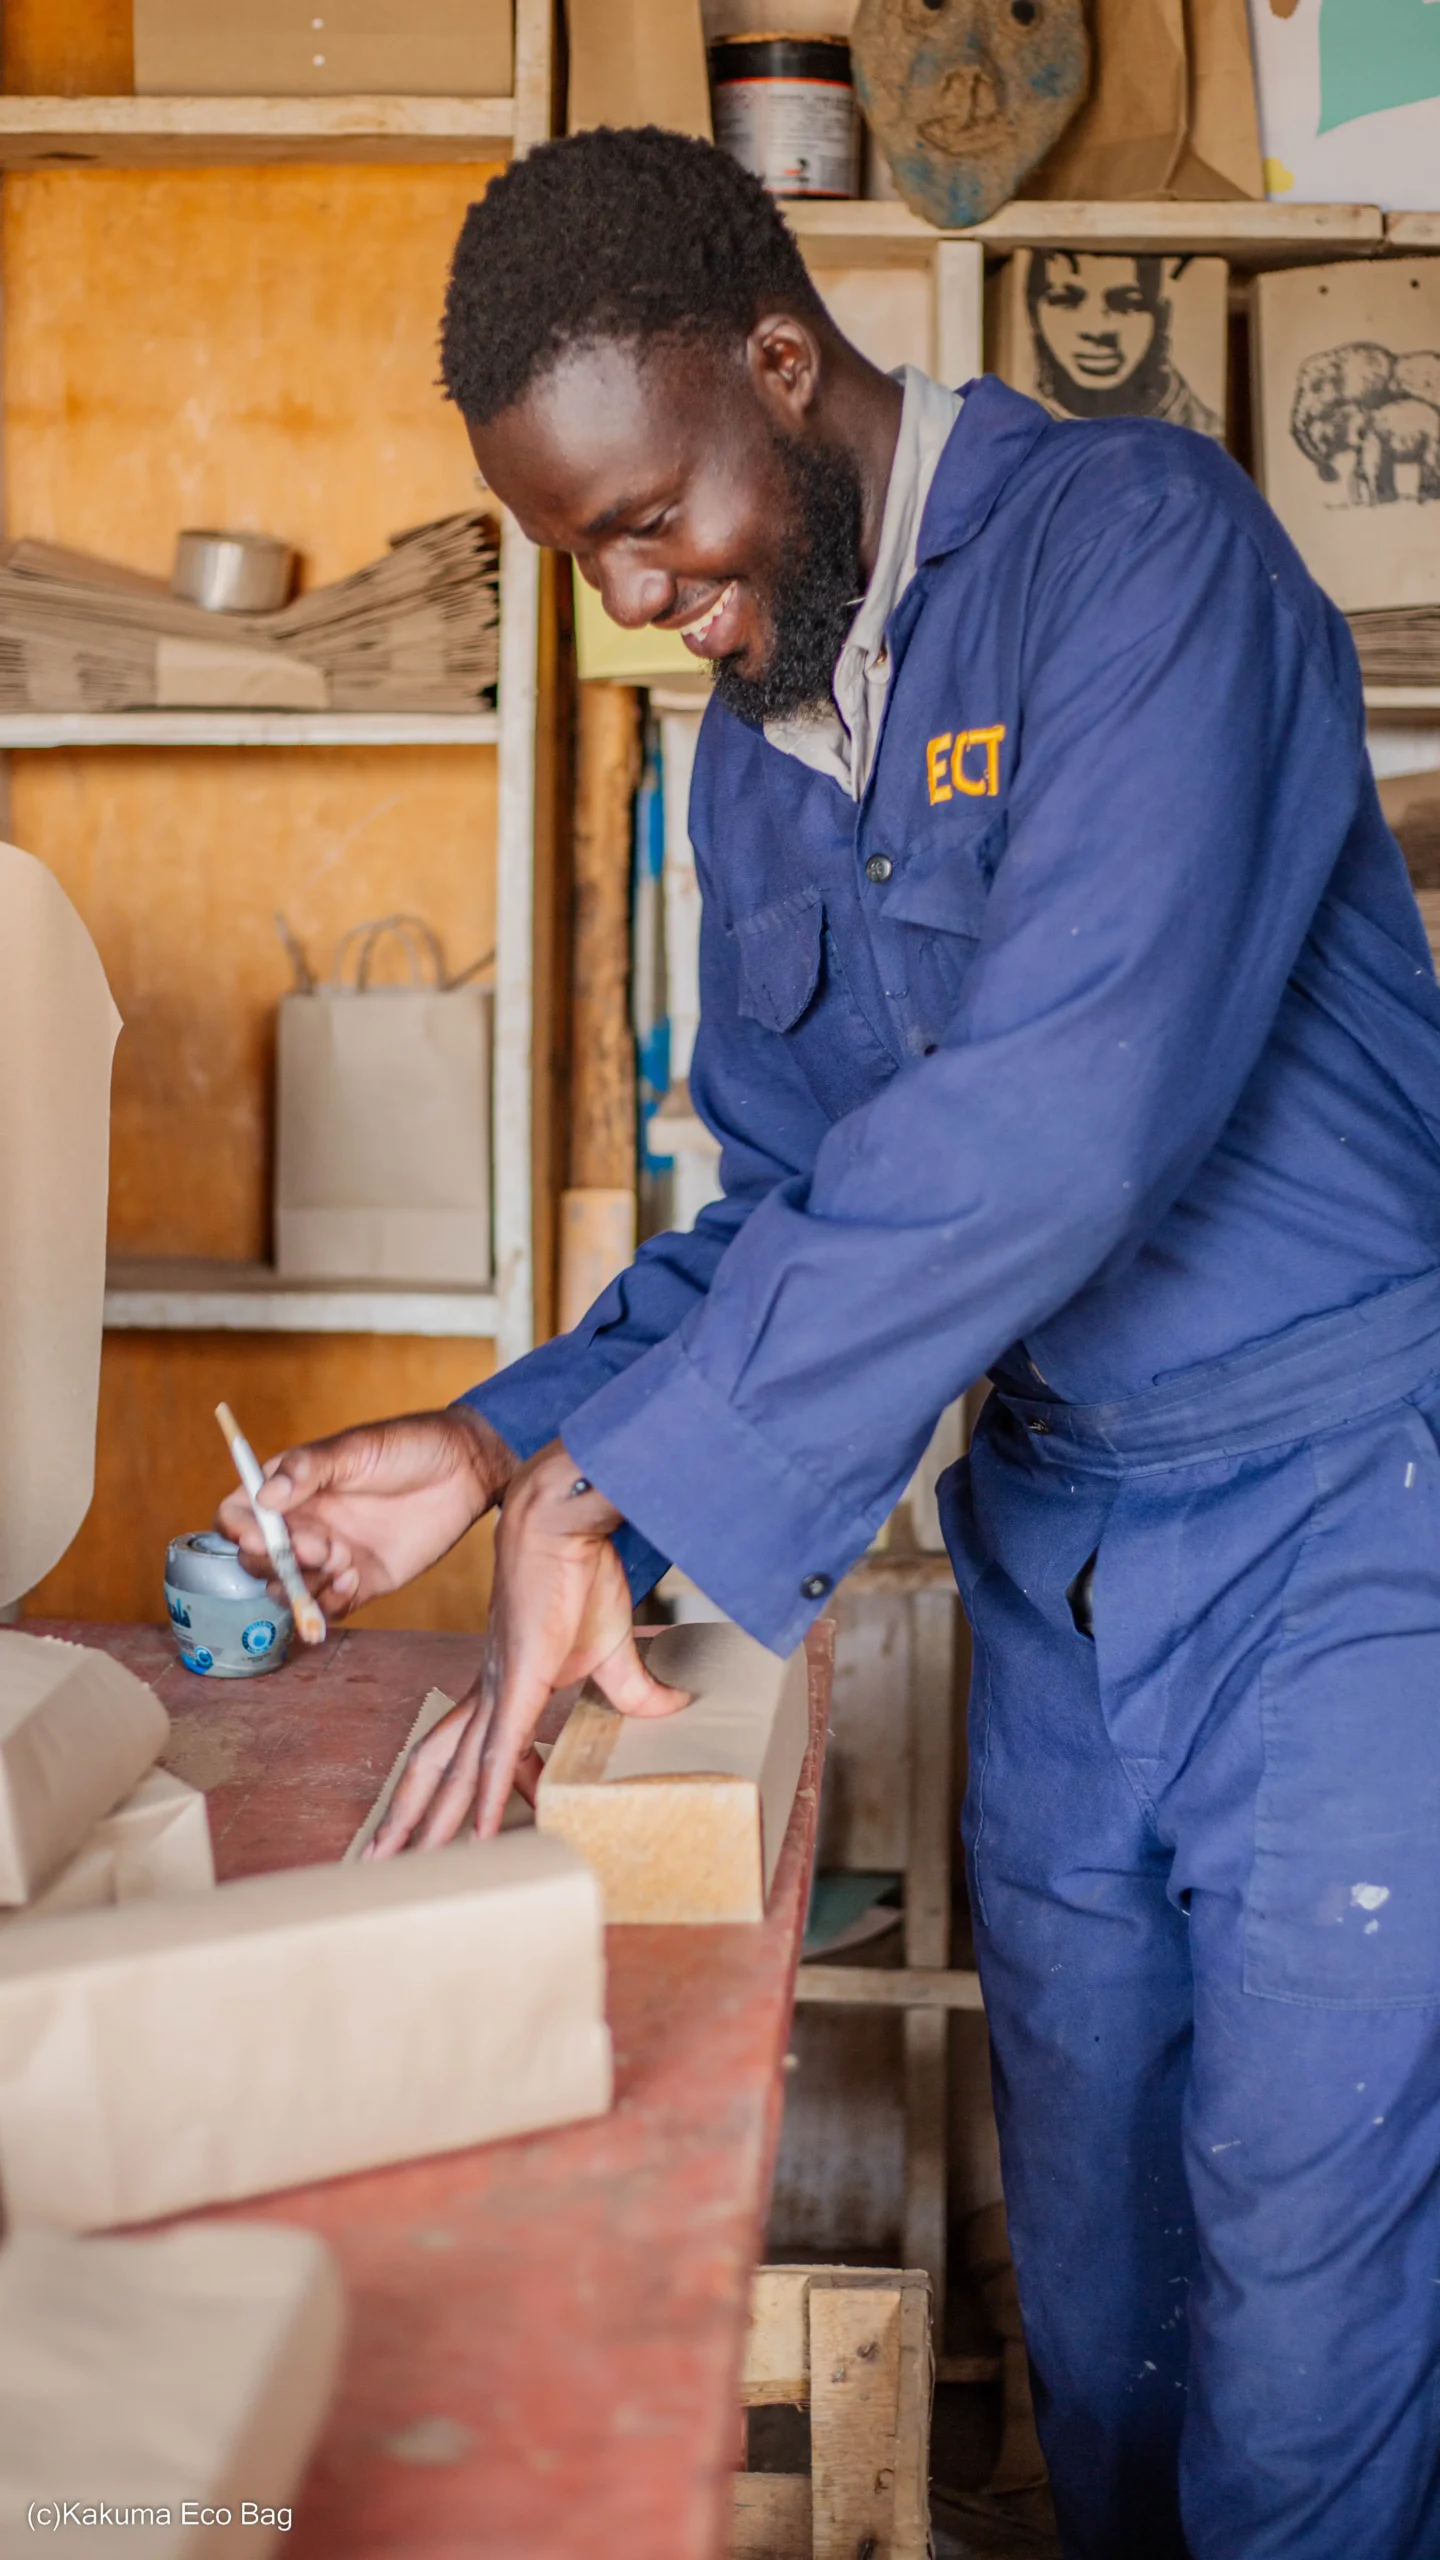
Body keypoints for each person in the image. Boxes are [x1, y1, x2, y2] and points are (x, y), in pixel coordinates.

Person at [220, 129, 1440, 2560]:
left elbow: (1060, 1111)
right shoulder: (755, 756)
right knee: (1101, 2309)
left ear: (781, 363)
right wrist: (491, 1440)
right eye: (589, 557)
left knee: (1302, 2330)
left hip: (1347, 1522)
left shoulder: (1138, 556)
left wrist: (627, 1483)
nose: (645, 591)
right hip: (1065, 1553)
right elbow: (791, 1205)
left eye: (654, 516)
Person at [1024, 249, 1223, 437]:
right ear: (1033, 315)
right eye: (1065, 301)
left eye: (1127, 304)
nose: (1097, 330)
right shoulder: (1012, 440)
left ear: (1161, 317)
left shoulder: (1209, 440)